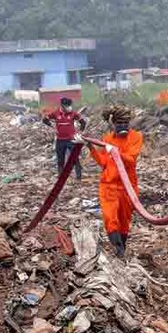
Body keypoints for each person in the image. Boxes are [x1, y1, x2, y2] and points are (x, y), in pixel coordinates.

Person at [82, 104, 142, 258]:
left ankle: (122, 247)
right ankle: (118, 249)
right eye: (119, 123)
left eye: (125, 123)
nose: (122, 126)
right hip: (108, 185)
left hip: (127, 186)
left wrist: (115, 151)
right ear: (113, 124)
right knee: (110, 217)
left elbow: (130, 160)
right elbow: (104, 162)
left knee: (124, 220)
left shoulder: (136, 137)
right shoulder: (108, 139)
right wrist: (90, 147)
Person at [44, 97, 86, 180]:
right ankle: (61, 177)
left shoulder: (73, 113)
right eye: (66, 106)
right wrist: (52, 126)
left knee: (75, 159)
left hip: (71, 140)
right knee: (60, 160)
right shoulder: (56, 113)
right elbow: (45, 120)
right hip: (60, 140)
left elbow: (83, 123)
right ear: (62, 106)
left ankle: (78, 177)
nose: (68, 107)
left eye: (69, 106)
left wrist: (80, 132)